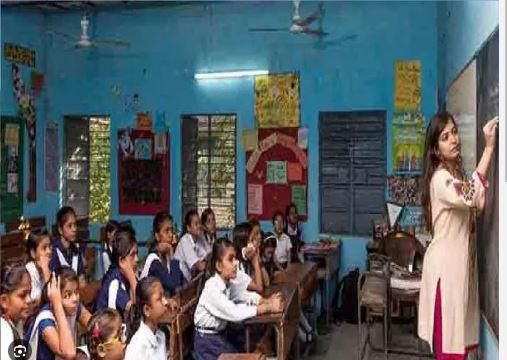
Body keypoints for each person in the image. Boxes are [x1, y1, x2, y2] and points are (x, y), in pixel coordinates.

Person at [418, 111, 498, 359]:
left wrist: (476, 194)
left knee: (458, 348)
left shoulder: (456, 177)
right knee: (450, 352)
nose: (453, 139)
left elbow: (477, 202)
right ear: (436, 150)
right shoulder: (441, 179)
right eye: (444, 136)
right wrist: (489, 148)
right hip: (446, 274)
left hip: (459, 273)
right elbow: (470, 195)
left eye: (454, 132)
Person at [193, 238, 284, 360]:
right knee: (247, 351)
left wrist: (266, 301)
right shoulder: (212, 287)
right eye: (230, 259)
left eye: (235, 258)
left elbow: (245, 295)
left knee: (254, 342)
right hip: (207, 343)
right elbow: (234, 312)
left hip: (220, 335)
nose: (236, 263)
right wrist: (268, 307)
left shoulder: (228, 283)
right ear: (219, 266)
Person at [140, 211, 184, 295]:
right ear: (157, 236)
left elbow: (181, 282)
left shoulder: (166, 258)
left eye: (171, 230)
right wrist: (171, 254)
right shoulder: (153, 260)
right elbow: (174, 286)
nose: (171, 235)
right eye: (166, 231)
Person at [0, 263, 31, 360]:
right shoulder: (4, 331)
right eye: (22, 295)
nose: (29, 300)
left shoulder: (17, 321)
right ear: (4, 301)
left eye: (29, 293)